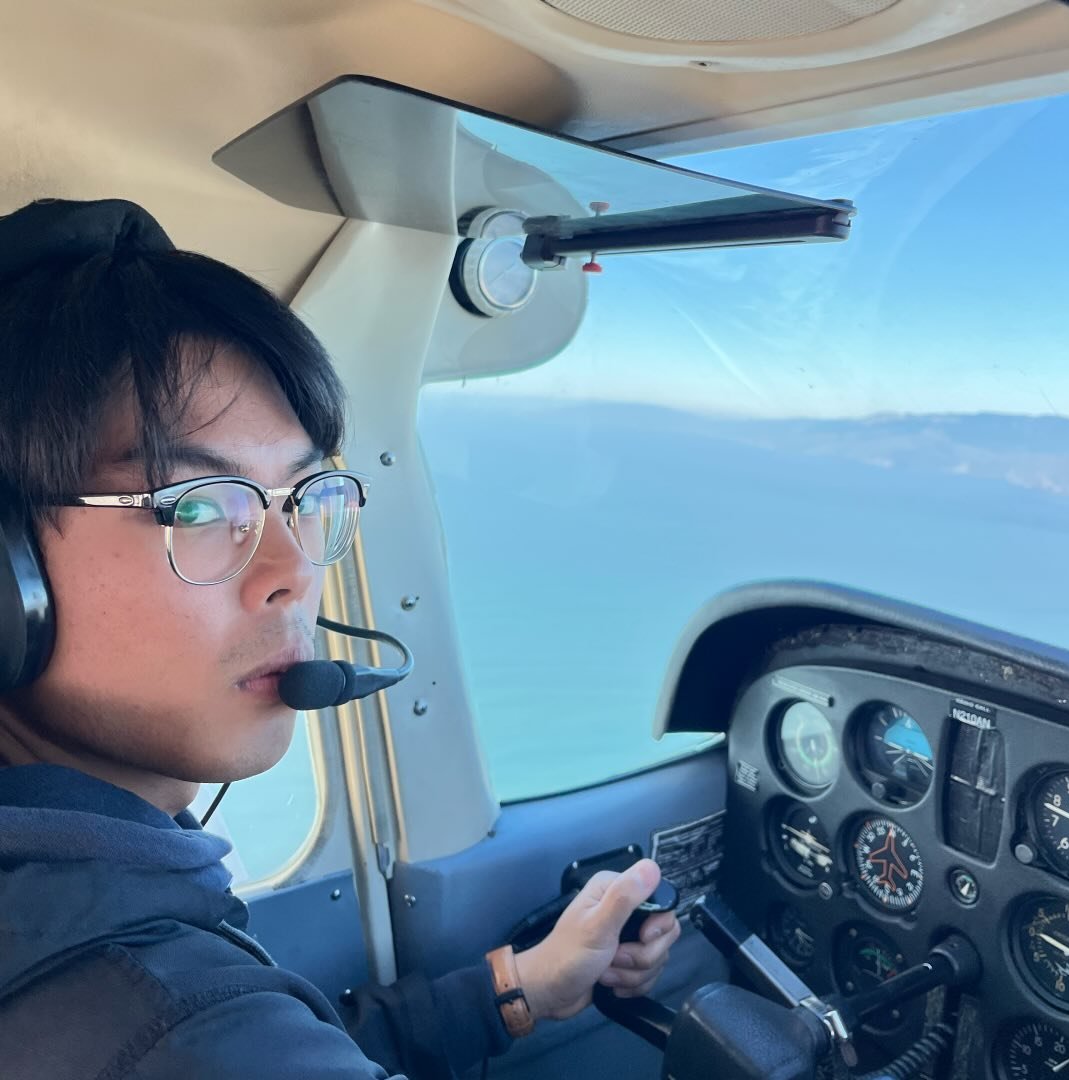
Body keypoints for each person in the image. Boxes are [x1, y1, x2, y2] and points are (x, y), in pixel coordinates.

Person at [0, 198, 680, 1080]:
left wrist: (515, 990)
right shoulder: (170, 1023)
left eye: (308, 498)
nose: (292, 570)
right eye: (200, 505)